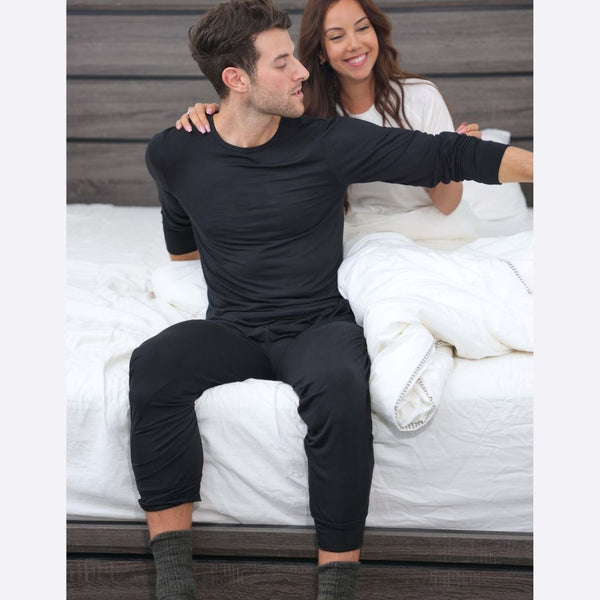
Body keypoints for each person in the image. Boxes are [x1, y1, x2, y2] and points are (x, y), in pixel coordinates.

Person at [130, 1, 533, 599]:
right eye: (282, 62)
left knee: (342, 388)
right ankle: (173, 581)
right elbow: (181, 245)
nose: (302, 71)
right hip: (233, 329)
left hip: (316, 324)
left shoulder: (327, 142)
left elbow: (448, 154)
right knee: (152, 365)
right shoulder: (173, 151)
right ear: (235, 78)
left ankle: (337, 585)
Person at [176, 0, 482, 228]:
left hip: (427, 229)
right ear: (321, 51)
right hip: (352, 238)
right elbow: (251, 125)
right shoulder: (301, 109)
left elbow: (447, 205)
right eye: (337, 37)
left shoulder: (420, 96)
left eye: (363, 28)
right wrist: (213, 113)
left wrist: (455, 158)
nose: (355, 44)